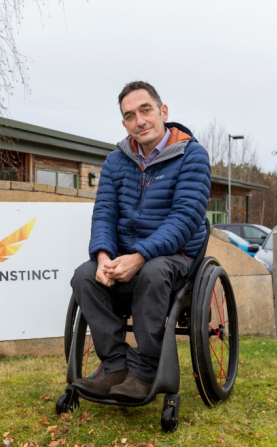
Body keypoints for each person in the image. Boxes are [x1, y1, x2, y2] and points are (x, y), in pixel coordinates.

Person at [70, 81, 211, 402]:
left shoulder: (192, 155)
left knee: (153, 272)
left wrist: (139, 256)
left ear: (163, 111)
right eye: (130, 116)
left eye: (146, 110)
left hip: (175, 256)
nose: (140, 121)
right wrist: (103, 257)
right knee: (84, 276)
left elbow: (186, 217)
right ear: (124, 124)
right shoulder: (115, 161)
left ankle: (146, 370)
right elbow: (104, 214)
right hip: (124, 256)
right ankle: (116, 366)